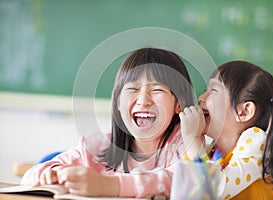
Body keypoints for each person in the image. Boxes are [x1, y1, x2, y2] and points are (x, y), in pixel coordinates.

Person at [21, 48, 195, 198]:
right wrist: (52, 175)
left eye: (157, 90)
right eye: (132, 89)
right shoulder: (98, 147)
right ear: (118, 102)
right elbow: (30, 177)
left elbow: (187, 182)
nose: (143, 100)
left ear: (179, 103)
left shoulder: (187, 145)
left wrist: (109, 185)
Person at [180, 60, 273, 199]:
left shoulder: (256, 142)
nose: (201, 98)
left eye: (213, 92)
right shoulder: (212, 151)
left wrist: (192, 138)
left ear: (244, 112)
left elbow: (214, 190)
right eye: (205, 91)